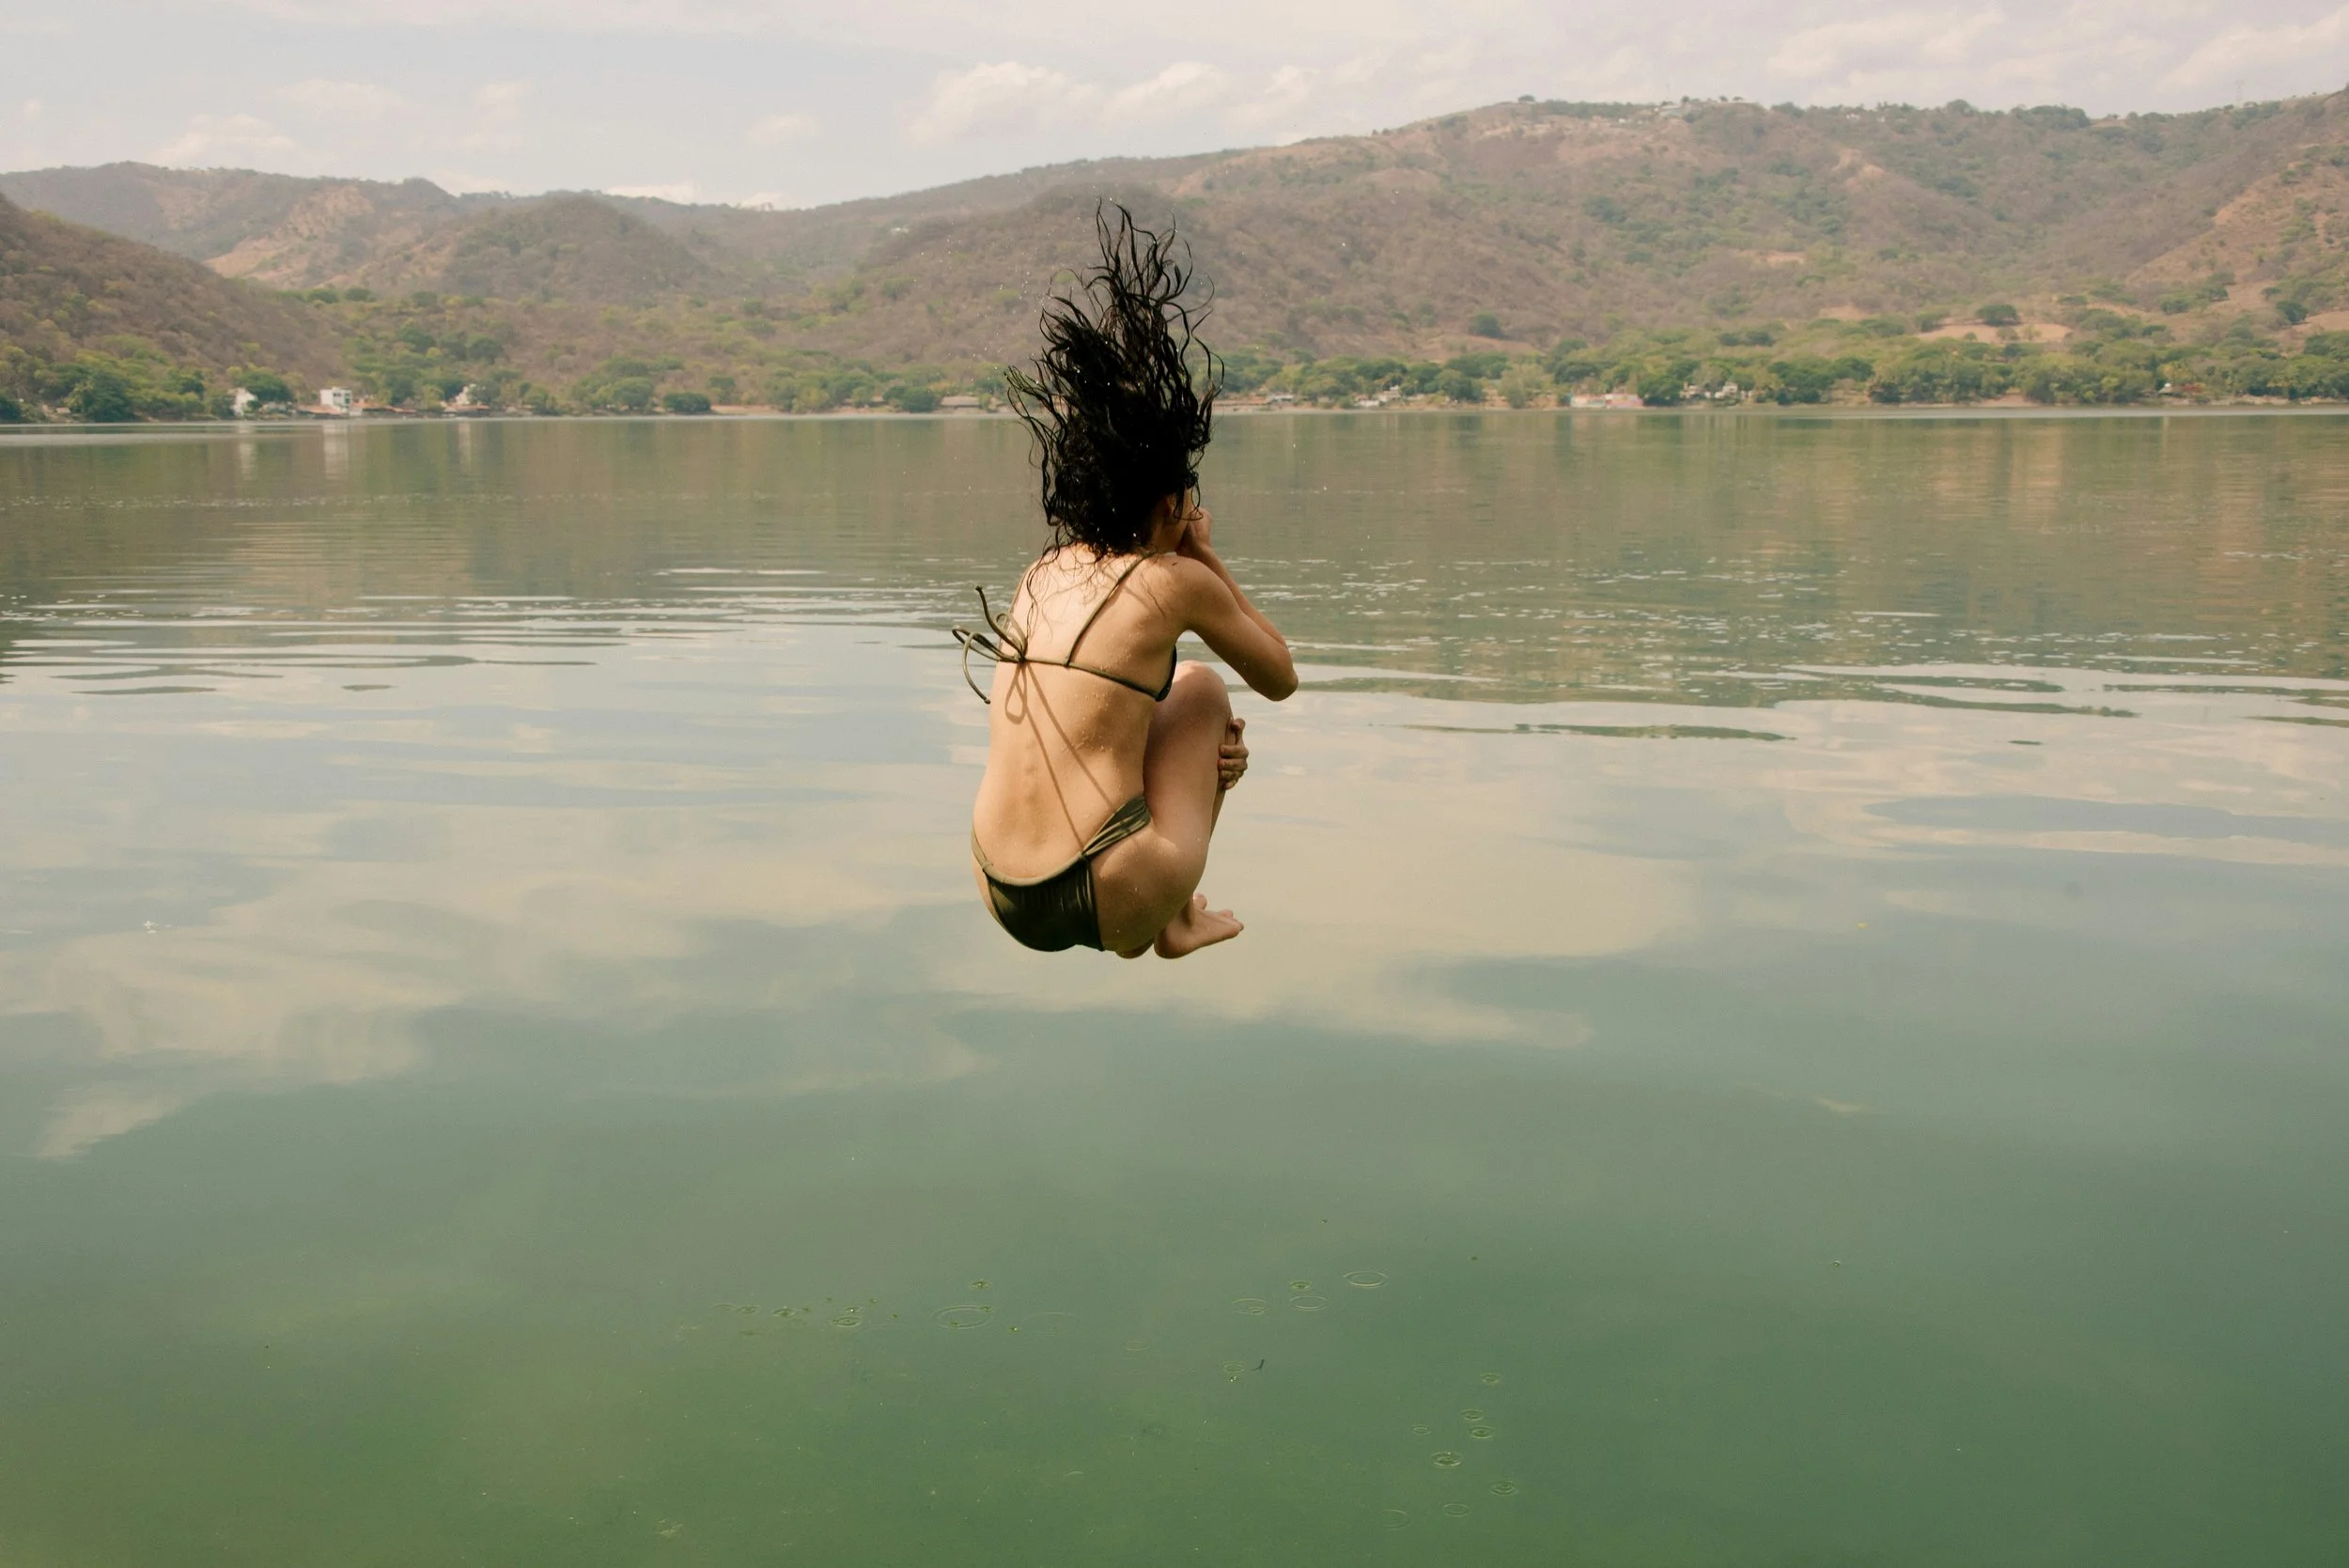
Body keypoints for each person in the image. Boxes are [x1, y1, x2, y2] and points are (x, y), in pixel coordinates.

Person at [956, 206, 1296, 958]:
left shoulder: (1044, 570)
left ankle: (1156, 910)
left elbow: (1098, 716)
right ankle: (1170, 921)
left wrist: (1201, 769)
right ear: (1170, 500)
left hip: (998, 887)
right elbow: (1281, 676)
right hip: (1107, 885)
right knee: (1203, 688)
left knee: (1143, 702)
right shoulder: (1174, 580)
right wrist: (1206, 556)